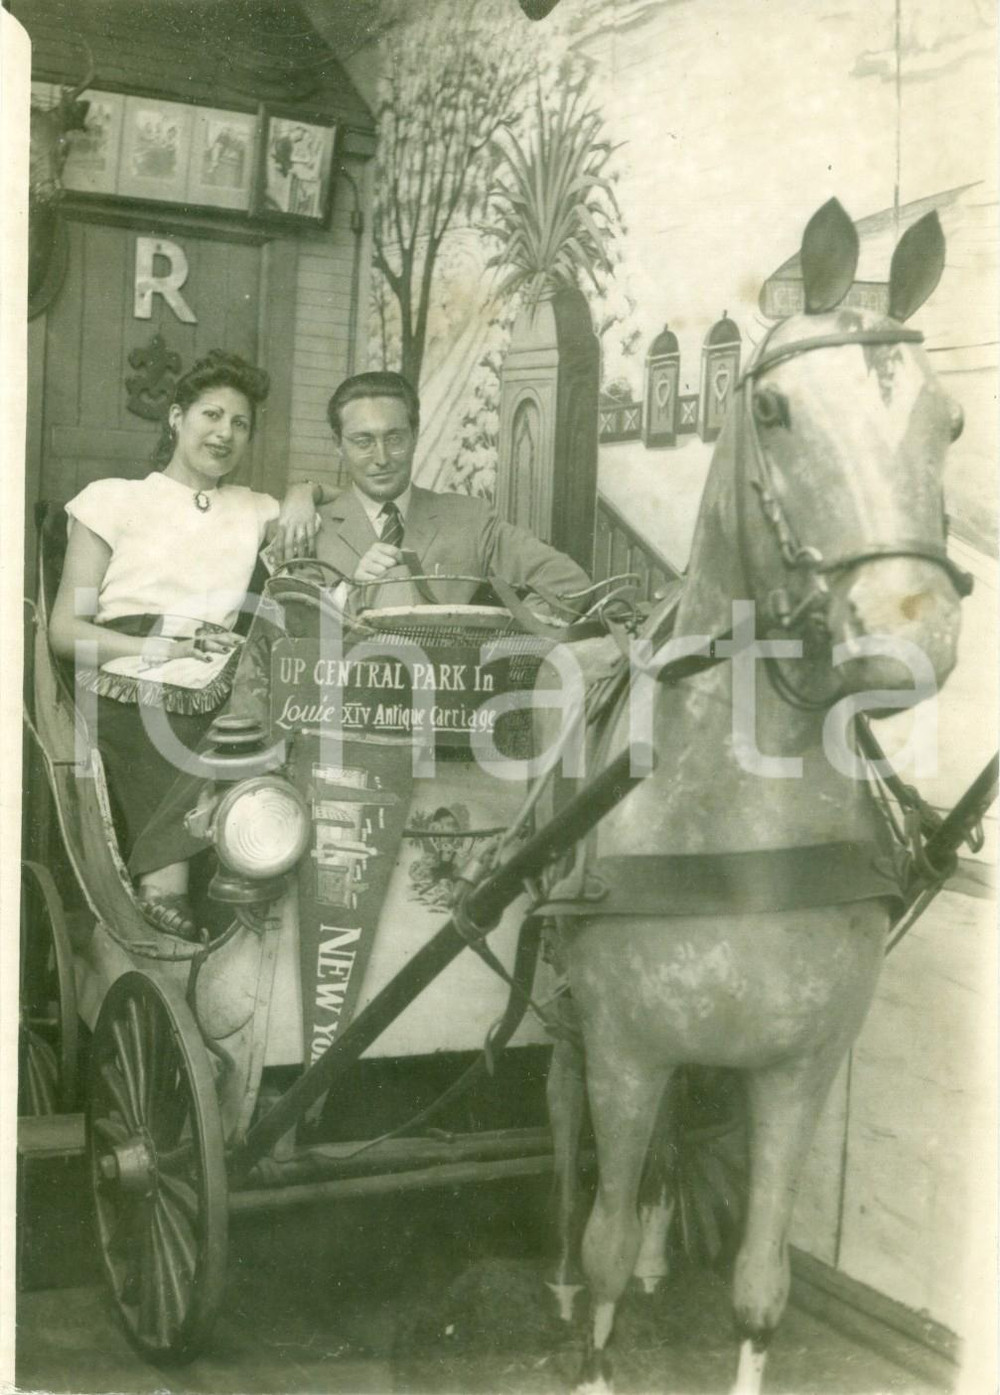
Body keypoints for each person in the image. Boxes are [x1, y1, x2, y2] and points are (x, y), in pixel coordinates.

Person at [49, 349, 320, 937]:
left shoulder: (254, 509)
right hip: (123, 660)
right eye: (211, 415)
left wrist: (303, 490)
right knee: (188, 721)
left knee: (271, 722)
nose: (225, 433)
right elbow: (66, 631)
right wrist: (160, 653)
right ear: (176, 418)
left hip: (217, 666)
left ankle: (250, 881)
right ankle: (163, 876)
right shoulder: (112, 499)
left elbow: (326, 513)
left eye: (240, 423)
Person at [282, 370, 592, 609]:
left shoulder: (470, 519)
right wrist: (351, 592)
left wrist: (504, 643)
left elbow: (568, 582)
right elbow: (296, 632)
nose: (382, 458)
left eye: (394, 438)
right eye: (363, 442)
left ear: (415, 435)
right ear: (338, 444)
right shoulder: (309, 529)